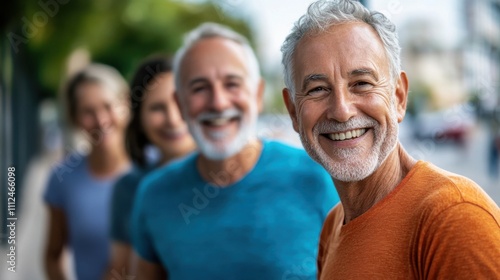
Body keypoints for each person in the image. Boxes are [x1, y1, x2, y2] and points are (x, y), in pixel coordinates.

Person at [281, 0, 500, 279]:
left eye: (361, 83)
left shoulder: (455, 217)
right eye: (318, 89)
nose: (341, 111)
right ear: (293, 112)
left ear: (398, 96)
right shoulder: (333, 225)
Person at [131, 22, 340, 280]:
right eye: (199, 87)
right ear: (180, 103)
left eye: (232, 84)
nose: (218, 103)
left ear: (258, 94)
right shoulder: (154, 195)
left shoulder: (319, 178)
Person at [107, 55, 196, 277]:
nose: (173, 119)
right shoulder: (129, 187)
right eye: (157, 107)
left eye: (181, 104)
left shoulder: (231, 176)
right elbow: (120, 269)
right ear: (139, 117)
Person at [44, 64, 131, 280]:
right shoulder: (63, 178)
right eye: (88, 112)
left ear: (126, 105)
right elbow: (53, 255)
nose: (101, 121)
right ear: (74, 118)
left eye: (108, 106)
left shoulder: (153, 172)